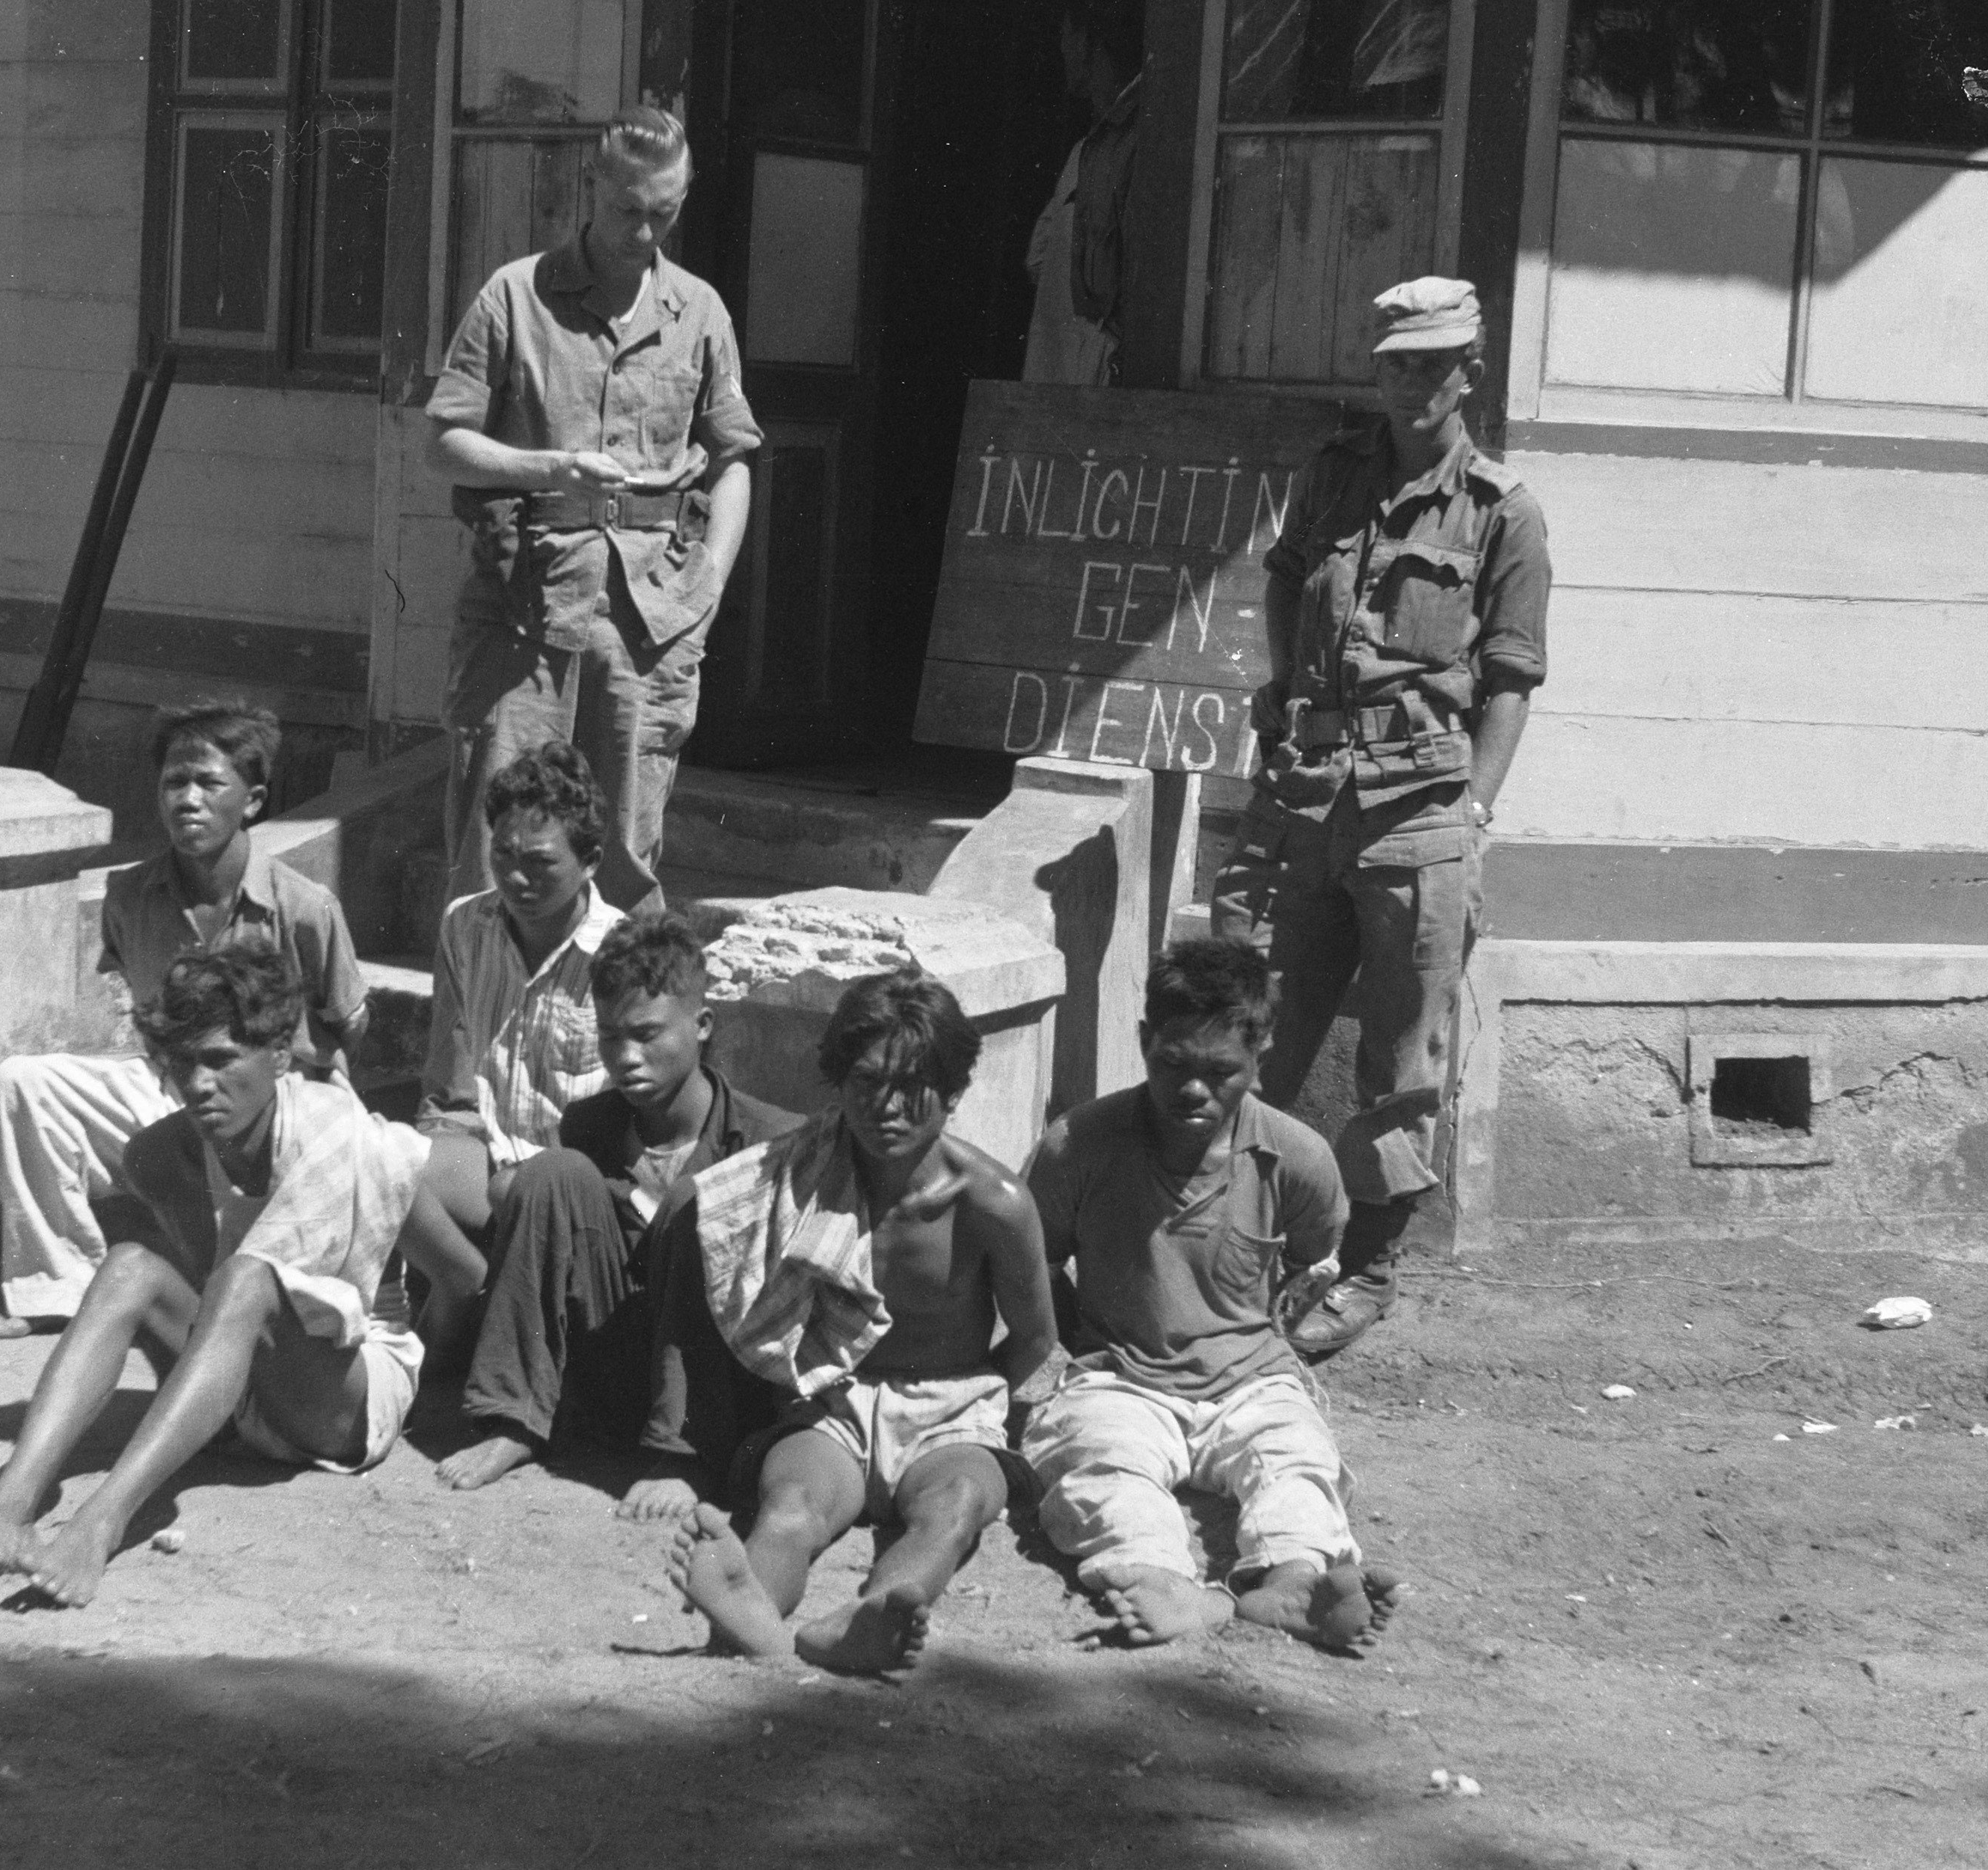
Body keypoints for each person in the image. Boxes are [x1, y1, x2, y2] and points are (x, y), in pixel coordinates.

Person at [1214, 275, 1551, 1360]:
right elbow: (1282, 579)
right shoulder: (1333, 477)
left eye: (1436, 363)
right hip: (1307, 797)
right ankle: (1236, 1253)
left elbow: (1512, 676)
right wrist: (1282, 685)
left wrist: (1477, 808)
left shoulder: (1504, 511)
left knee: (1401, 1058)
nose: (1414, 382)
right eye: (1397, 361)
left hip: (1419, 813)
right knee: (1259, 1024)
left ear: (1471, 373)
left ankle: (1368, 1268)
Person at [0, 945, 485, 1608]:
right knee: (129, 1266)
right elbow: (211, 1311)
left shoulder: (347, 1137)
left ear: (280, 1055)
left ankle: (99, 1524)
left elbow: (463, 1275)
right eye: (182, 1063)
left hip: (341, 1398)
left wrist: (424, 1376)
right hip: (248, 1385)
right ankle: (9, 1506)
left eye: (222, 1061)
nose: (199, 1084)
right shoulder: (164, 1156)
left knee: (247, 1277)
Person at [661, 969, 1058, 1676]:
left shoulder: (994, 1203)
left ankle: (877, 1612)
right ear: (839, 1082)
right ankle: (747, 1604)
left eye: (913, 1086)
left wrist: (978, 1399)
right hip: (837, 1399)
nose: (888, 1107)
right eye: (867, 1082)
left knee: (956, 1506)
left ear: (955, 1090)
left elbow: (1035, 1337)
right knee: (789, 1506)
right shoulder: (800, 1173)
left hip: (953, 1406)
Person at [1021, 939, 1406, 1653]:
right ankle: (1162, 1581)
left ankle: (1294, 1580)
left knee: (1296, 1460)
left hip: (1252, 1381)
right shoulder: (1079, 1145)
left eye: (1219, 1071)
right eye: (1172, 1064)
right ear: (1144, 1042)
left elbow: (1307, 1267)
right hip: (1124, 1378)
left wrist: (1261, 1349)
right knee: (1100, 1462)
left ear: (1261, 1055)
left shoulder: (1298, 1159)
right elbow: (1036, 1267)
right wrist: (1087, 1356)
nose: (1193, 1090)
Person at [429, 104, 759, 914]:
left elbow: (733, 459)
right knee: (496, 859)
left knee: (623, 866)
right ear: (591, 187)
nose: (645, 233)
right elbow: (444, 442)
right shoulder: (515, 296)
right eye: (627, 210)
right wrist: (551, 470)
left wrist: (710, 581)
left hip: (649, 628)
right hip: (523, 619)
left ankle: (604, 1043)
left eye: (665, 213)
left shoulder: (700, 313)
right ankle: (486, 1036)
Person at [0, 702, 366, 1339]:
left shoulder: (302, 907)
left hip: (278, 1104)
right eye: (173, 783)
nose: (189, 799)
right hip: (172, 1088)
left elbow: (347, 1023)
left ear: (254, 800)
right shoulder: (129, 897)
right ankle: (59, 1291)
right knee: (22, 1082)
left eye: (210, 784)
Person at [433, 913, 800, 1490]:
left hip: (715, 1395)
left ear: (702, 1025)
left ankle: (682, 1458)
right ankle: (515, 1422)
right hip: (613, 1375)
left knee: (698, 1199)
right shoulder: (591, 1125)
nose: (625, 1057)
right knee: (552, 1173)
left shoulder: (767, 1139)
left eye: (647, 1035)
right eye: (609, 1036)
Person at [414, 743, 628, 1270]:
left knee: (521, 1193)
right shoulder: (465, 925)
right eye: (503, 856)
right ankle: (448, 1301)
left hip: (581, 1182)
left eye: (540, 864)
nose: (516, 878)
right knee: (378, 1162)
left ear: (590, 863)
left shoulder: (625, 951)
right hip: (490, 1164)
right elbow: (450, 1081)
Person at [1022, 0, 1144, 386]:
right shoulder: (1087, 150)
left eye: (1066, 34)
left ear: (1091, 39)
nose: (1061, 47)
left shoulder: (1134, 143)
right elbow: (1039, 260)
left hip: (1095, 386)